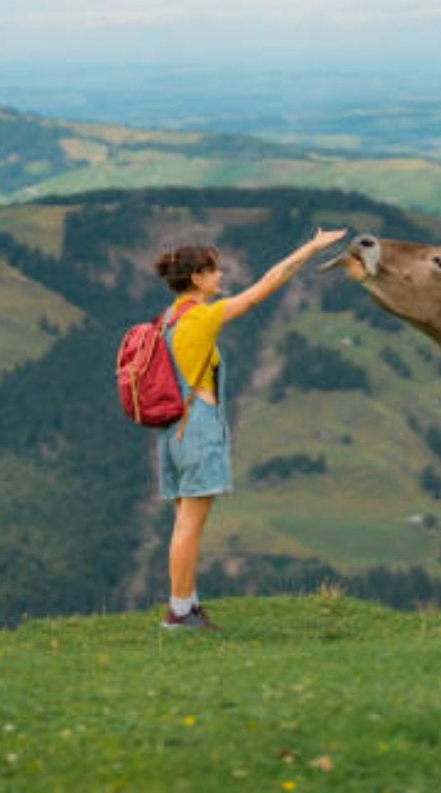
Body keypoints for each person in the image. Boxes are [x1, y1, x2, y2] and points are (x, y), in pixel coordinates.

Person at [152, 227, 348, 630]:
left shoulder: (167, 319)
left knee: (183, 524)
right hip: (198, 428)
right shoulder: (203, 317)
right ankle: (179, 612)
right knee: (190, 526)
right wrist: (309, 247)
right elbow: (265, 288)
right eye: (213, 271)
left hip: (171, 431)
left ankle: (186, 605)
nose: (220, 277)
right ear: (196, 279)